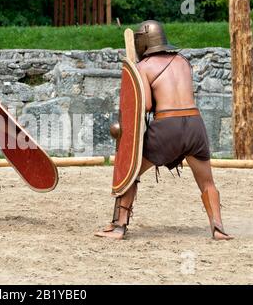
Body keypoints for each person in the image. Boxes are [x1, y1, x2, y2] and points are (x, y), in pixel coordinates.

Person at [95, 20, 233, 240]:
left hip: (168, 126)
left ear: (143, 42)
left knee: (131, 172)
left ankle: (119, 226)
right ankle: (218, 227)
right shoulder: (183, 61)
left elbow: (145, 105)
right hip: (195, 124)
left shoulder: (143, 67)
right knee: (207, 181)